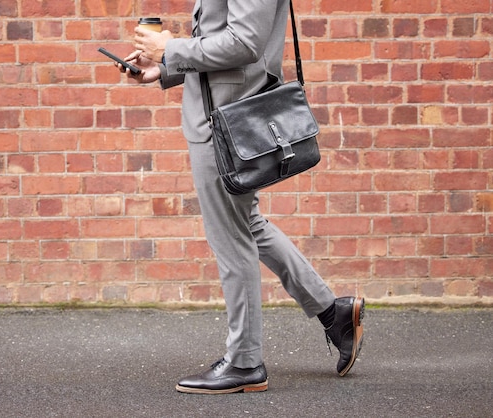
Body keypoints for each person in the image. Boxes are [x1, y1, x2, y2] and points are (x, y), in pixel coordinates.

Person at [117, 0, 365, 394]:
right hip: (220, 116)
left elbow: (245, 44)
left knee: (232, 239)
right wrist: (164, 69)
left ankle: (245, 362)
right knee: (246, 224)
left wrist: (171, 49)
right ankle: (333, 312)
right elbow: (220, 45)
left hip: (228, 122)